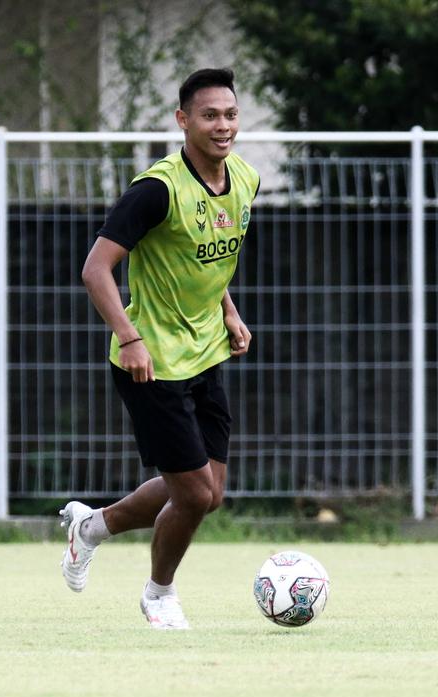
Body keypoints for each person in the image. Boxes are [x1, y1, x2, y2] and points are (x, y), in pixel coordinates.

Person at [62, 68, 258, 630]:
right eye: (209, 115)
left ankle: (92, 527)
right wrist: (130, 337)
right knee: (193, 494)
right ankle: (158, 594)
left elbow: (209, 261)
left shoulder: (244, 179)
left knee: (207, 493)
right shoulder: (156, 190)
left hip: (207, 355)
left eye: (230, 114)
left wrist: (229, 311)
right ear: (183, 121)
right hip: (151, 363)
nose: (223, 126)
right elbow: (95, 270)